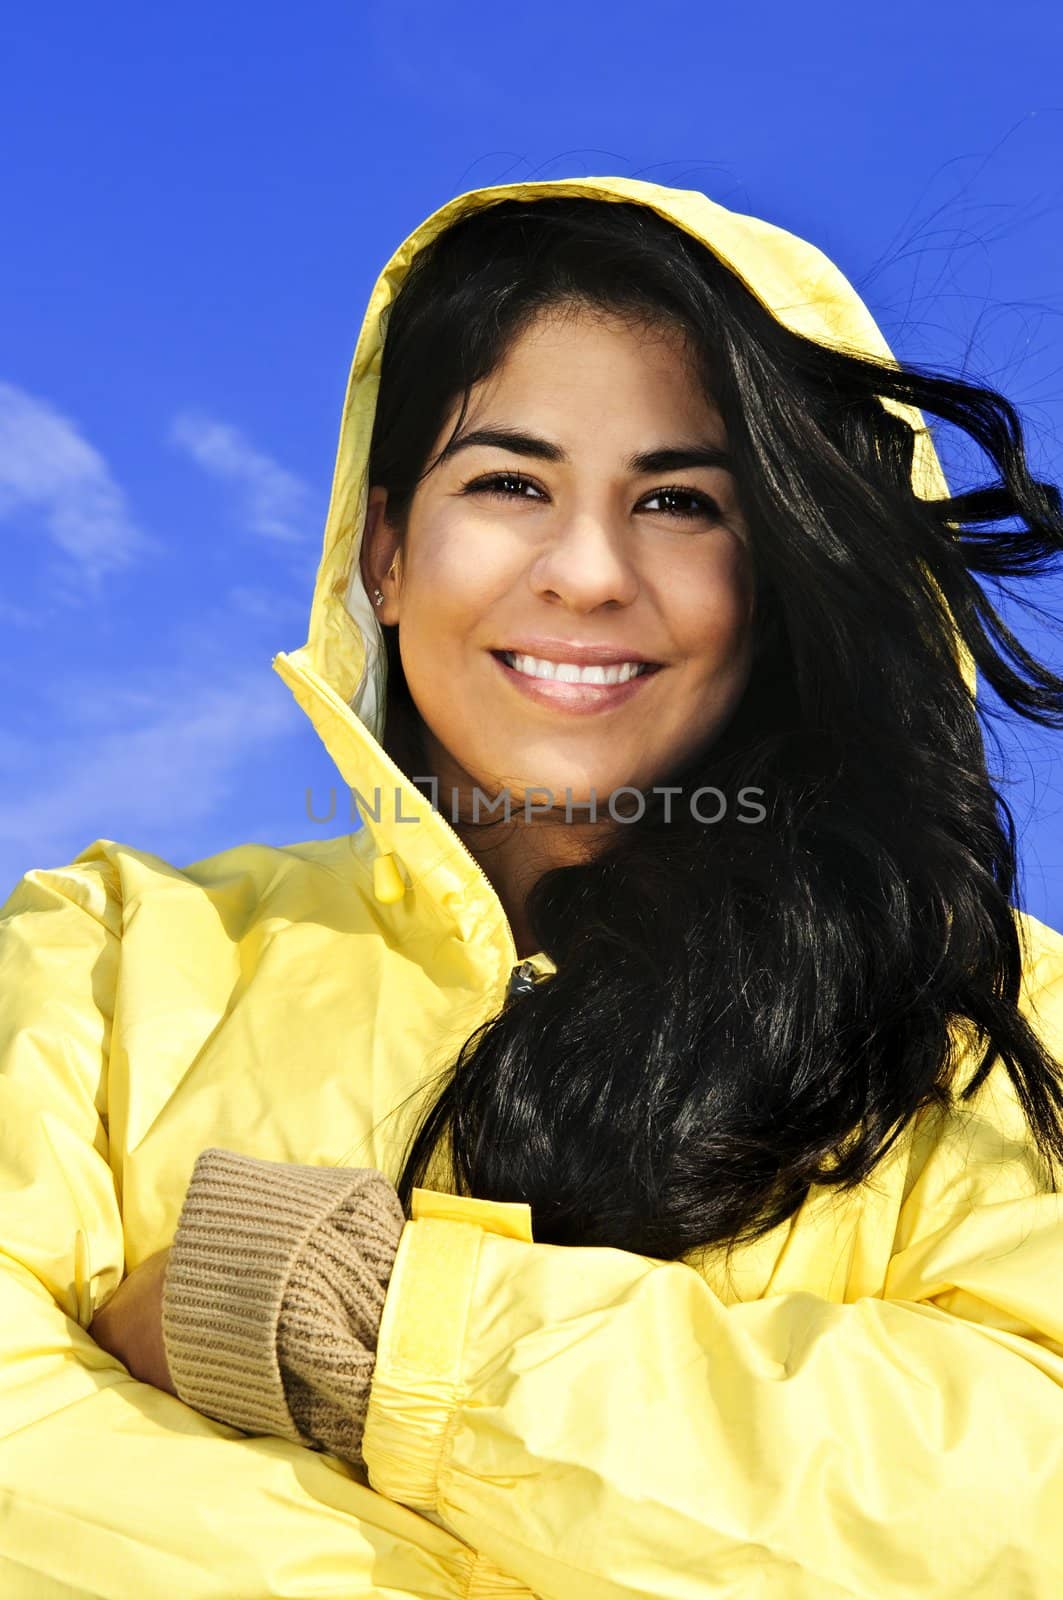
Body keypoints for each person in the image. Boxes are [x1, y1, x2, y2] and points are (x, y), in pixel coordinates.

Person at [2, 174, 1063, 1600]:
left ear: (781, 573)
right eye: (509, 482)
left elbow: (1020, 1493)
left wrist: (377, 1344)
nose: (585, 572)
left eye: (680, 501)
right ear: (384, 551)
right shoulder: (104, 959)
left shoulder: (998, 1020)